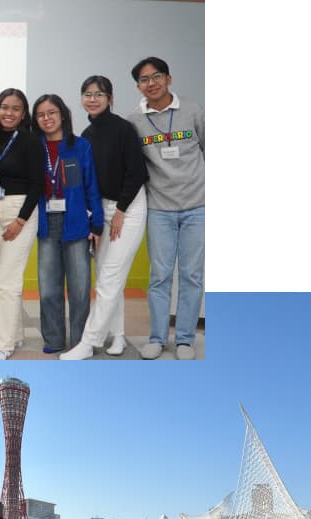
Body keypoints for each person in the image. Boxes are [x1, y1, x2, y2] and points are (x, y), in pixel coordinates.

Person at [61, 75, 147, 360]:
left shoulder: (124, 129)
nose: (93, 99)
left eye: (99, 94)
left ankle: (89, 342)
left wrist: (121, 211)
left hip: (129, 208)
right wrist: (94, 219)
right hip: (102, 210)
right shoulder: (86, 135)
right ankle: (118, 335)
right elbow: (86, 181)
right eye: (87, 94)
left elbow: (137, 173)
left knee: (109, 277)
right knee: (108, 277)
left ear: (110, 98)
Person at [127, 56, 204, 360]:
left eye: (157, 76)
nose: (152, 83)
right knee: (159, 275)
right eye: (144, 79)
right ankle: (157, 338)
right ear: (138, 86)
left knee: (191, 276)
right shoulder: (134, 120)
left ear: (169, 79)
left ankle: (185, 340)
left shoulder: (192, 110)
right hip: (159, 208)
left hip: (197, 206)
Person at [30, 93, 103, 354]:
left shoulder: (80, 146)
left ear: (62, 115)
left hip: (76, 222)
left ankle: (81, 342)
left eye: (51, 112)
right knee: (49, 287)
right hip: (45, 222)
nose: (46, 118)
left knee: (80, 288)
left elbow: (91, 185)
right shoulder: (34, 147)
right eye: (41, 114)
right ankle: (54, 339)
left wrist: (97, 223)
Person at [0, 88, 44, 360]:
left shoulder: (31, 141)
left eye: (16, 109)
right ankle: (15, 334)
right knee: (2, 275)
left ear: (23, 114)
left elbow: (38, 184)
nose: (9, 113)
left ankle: (2, 345)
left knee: (7, 280)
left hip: (20, 211)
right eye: (5, 107)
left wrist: (21, 220)